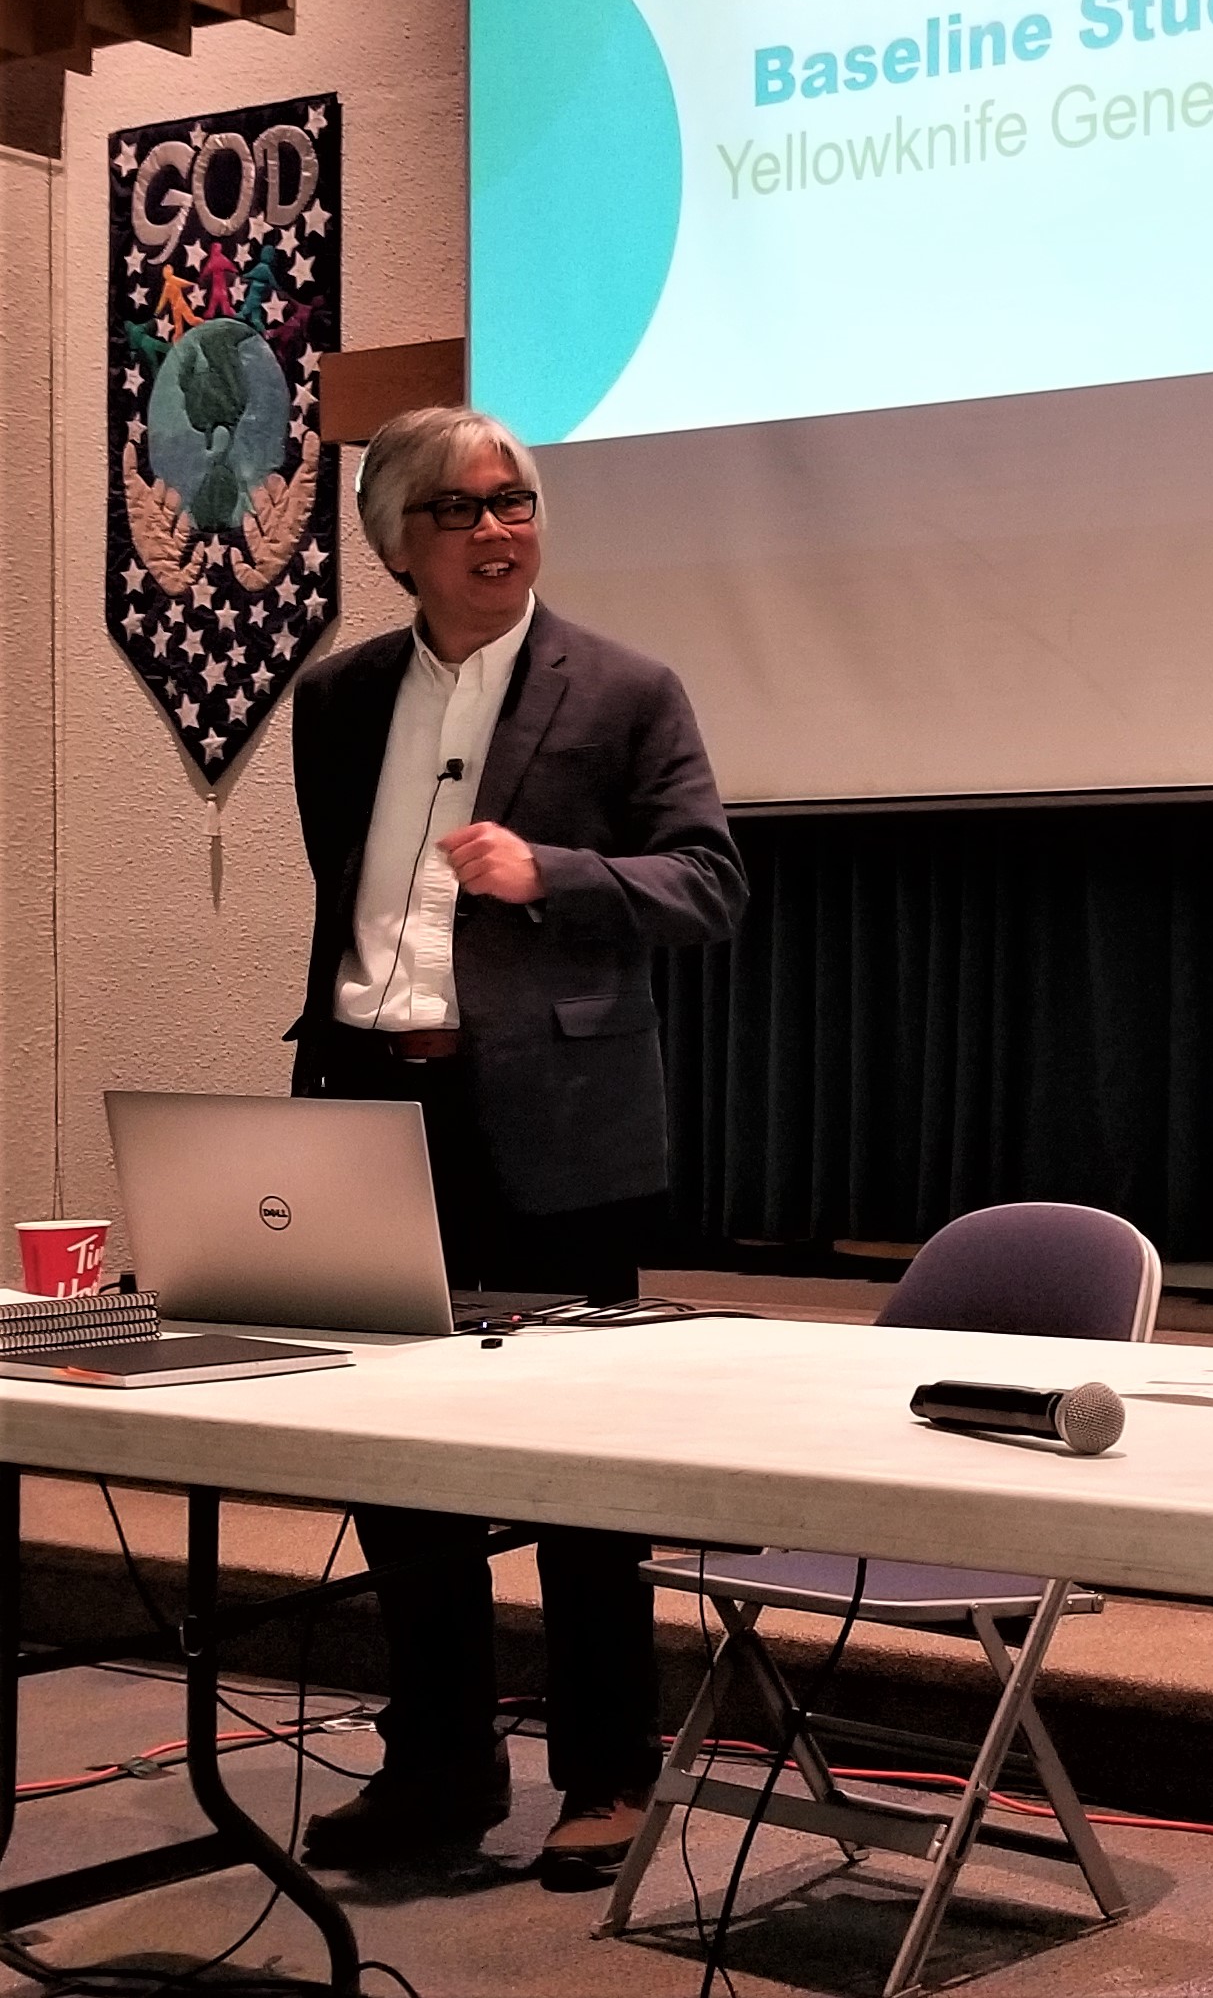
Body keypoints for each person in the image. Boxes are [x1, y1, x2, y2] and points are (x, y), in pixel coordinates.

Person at [284, 407, 745, 1883]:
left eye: (519, 501)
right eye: (465, 510)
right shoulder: (341, 697)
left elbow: (708, 885)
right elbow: (344, 896)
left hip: (552, 1125)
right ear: (398, 544)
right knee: (397, 1464)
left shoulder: (621, 689)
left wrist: (551, 874)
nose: (500, 530)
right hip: (368, 1103)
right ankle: (439, 1767)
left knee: (575, 1465)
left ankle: (607, 1772)